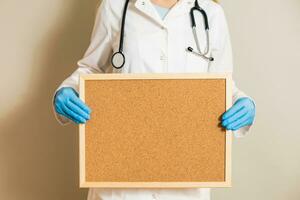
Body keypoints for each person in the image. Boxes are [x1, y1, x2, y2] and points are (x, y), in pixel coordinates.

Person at [53, 0, 256, 199]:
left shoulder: (211, 13)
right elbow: (91, 68)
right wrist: (69, 89)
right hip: (121, 176)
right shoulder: (114, 7)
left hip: (186, 175)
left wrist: (242, 102)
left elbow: (222, 84)